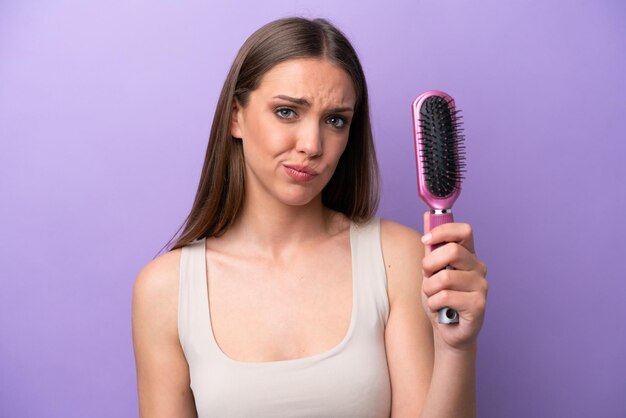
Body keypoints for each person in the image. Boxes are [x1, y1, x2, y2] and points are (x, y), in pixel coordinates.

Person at [132, 17, 488, 418]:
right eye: (287, 112)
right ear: (236, 116)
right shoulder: (166, 290)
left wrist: (457, 349)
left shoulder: (396, 259)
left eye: (335, 120)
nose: (312, 145)